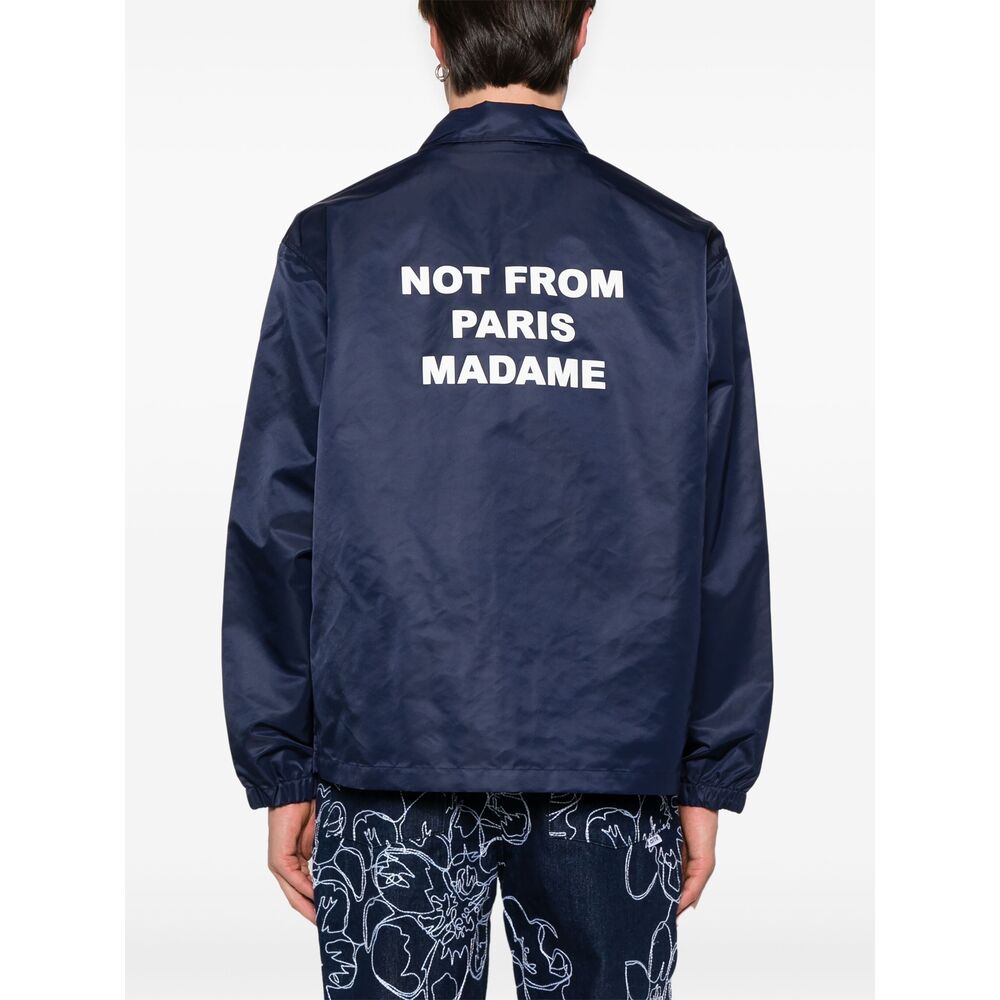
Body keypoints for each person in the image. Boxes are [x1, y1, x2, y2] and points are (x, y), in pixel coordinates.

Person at [222, 2, 773, 996]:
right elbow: (725, 537)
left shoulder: (337, 244)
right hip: (612, 753)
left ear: (432, 32)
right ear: (584, 27)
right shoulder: (676, 252)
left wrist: (283, 763)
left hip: (390, 746)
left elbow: (276, 517)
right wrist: (708, 770)